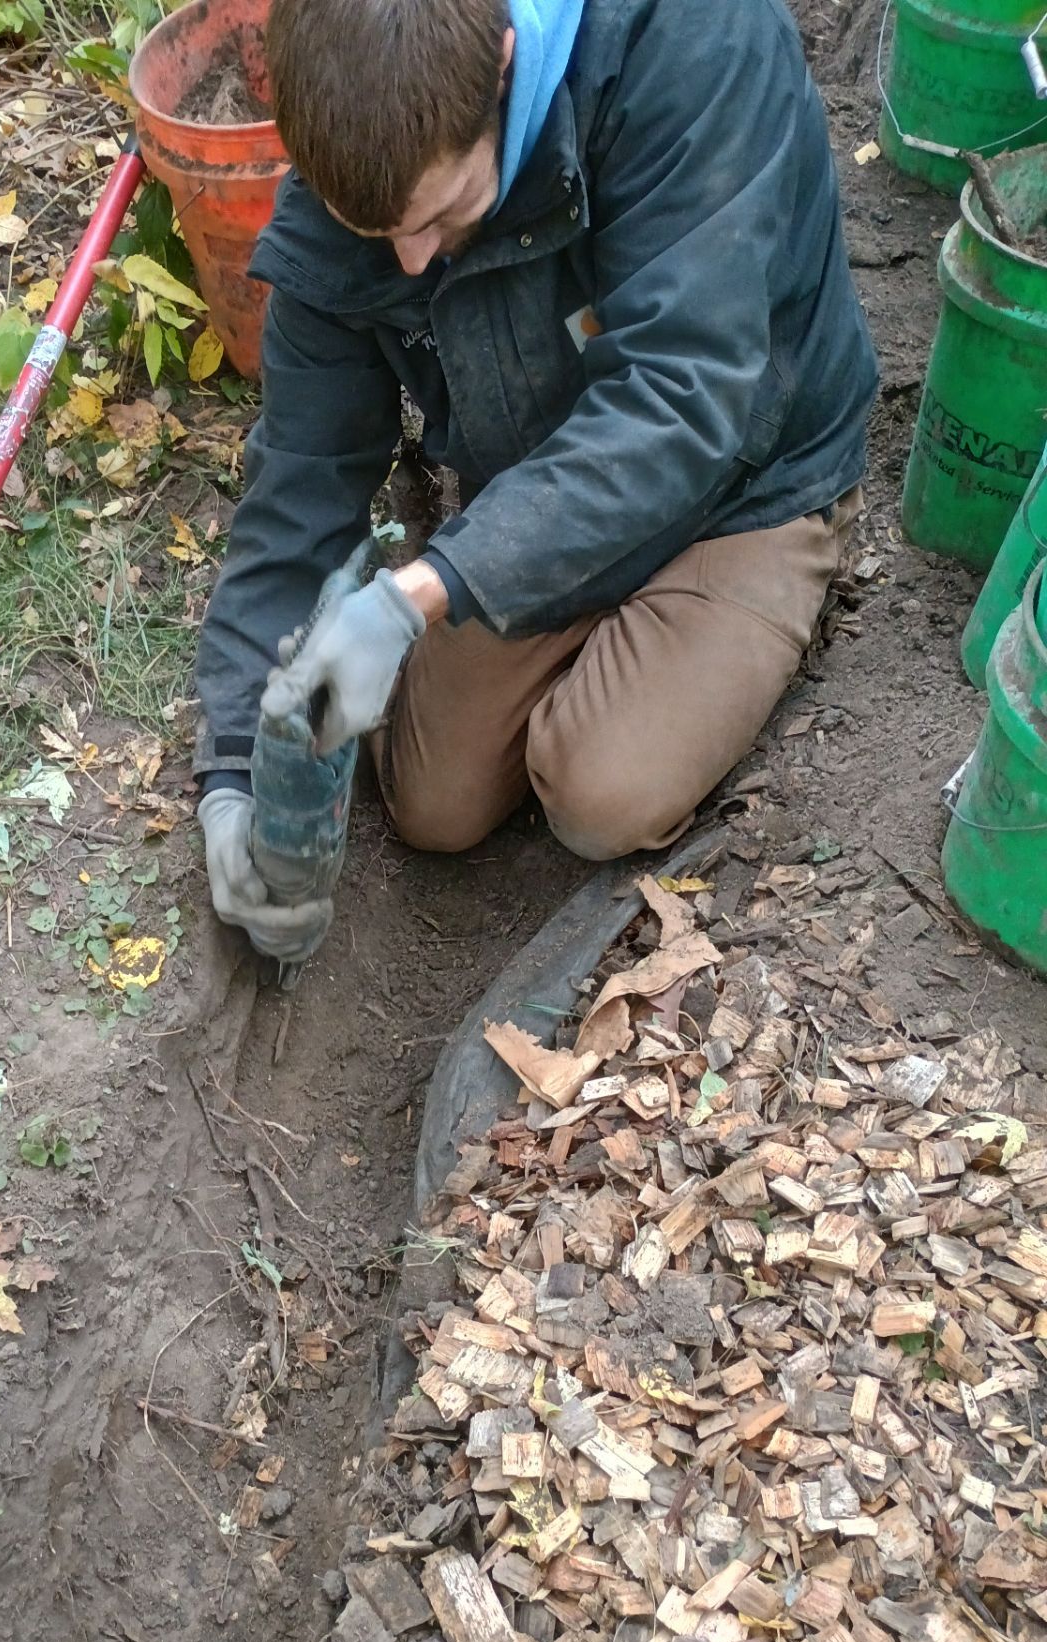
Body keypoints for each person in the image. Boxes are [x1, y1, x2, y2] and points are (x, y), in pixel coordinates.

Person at [195, 0, 877, 961]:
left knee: (602, 788)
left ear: (504, 70)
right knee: (432, 806)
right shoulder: (361, 172)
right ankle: (597, 633)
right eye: (376, 230)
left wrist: (414, 599)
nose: (410, 258)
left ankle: (757, 591)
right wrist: (231, 777)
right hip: (540, 484)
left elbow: (679, 399)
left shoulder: (692, 47)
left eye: (440, 216)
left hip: (746, 473)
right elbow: (299, 494)